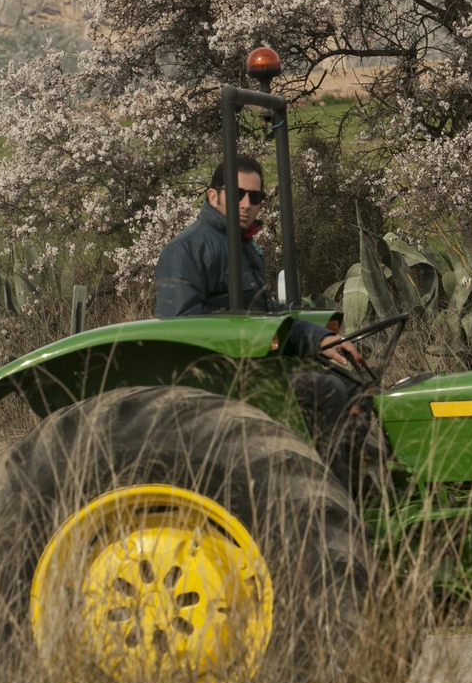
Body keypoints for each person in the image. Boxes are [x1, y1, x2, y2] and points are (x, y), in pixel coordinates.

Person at [154, 156, 365, 486]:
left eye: (255, 197)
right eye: (237, 193)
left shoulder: (246, 248)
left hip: (259, 364)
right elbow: (179, 327)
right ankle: (333, 492)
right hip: (223, 376)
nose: (246, 204)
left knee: (355, 384)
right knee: (326, 390)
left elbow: (268, 316)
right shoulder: (187, 250)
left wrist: (321, 339)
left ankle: (364, 487)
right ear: (213, 196)